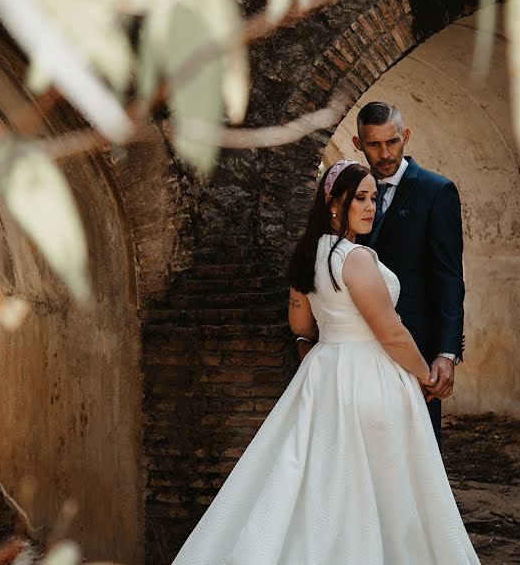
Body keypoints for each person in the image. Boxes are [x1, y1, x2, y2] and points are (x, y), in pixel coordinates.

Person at [170, 160, 479, 565]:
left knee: (323, 479)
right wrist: (427, 378)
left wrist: (321, 352)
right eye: (360, 199)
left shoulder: (309, 254)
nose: (370, 207)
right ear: (334, 203)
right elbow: (390, 332)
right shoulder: (356, 258)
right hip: (369, 376)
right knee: (387, 484)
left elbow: (300, 324)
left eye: (373, 198)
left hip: (325, 372)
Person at [353, 101, 465, 447]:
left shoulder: (437, 191)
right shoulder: (349, 195)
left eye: (393, 142)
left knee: (417, 450)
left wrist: (446, 353)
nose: (385, 153)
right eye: (374, 144)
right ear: (358, 144)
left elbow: (449, 277)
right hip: (360, 348)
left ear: (406, 136)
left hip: (417, 348)